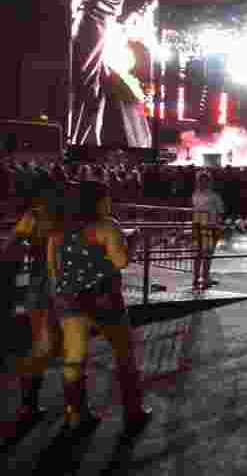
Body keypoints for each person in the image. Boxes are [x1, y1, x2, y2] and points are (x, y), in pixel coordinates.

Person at [48, 181, 151, 437]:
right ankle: (133, 412)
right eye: (107, 198)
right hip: (104, 299)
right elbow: (121, 260)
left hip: (70, 301)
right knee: (124, 354)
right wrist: (133, 241)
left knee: (74, 359)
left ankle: (76, 416)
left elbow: (53, 268)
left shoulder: (58, 229)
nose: (110, 202)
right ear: (98, 201)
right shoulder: (106, 226)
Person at [6, 182, 63, 436]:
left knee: (39, 344)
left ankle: (29, 406)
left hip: (40, 285)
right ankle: (76, 406)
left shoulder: (34, 216)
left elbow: (12, 247)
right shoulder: (70, 214)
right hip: (64, 286)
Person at [192, 172, 225, 289]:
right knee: (201, 254)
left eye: (205, 181)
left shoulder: (212, 196)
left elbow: (220, 212)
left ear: (209, 182)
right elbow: (220, 212)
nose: (202, 183)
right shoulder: (199, 195)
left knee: (205, 254)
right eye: (201, 180)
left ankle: (202, 277)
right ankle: (200, 277)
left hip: (209, 226)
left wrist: (218, 225)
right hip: (201, 226)